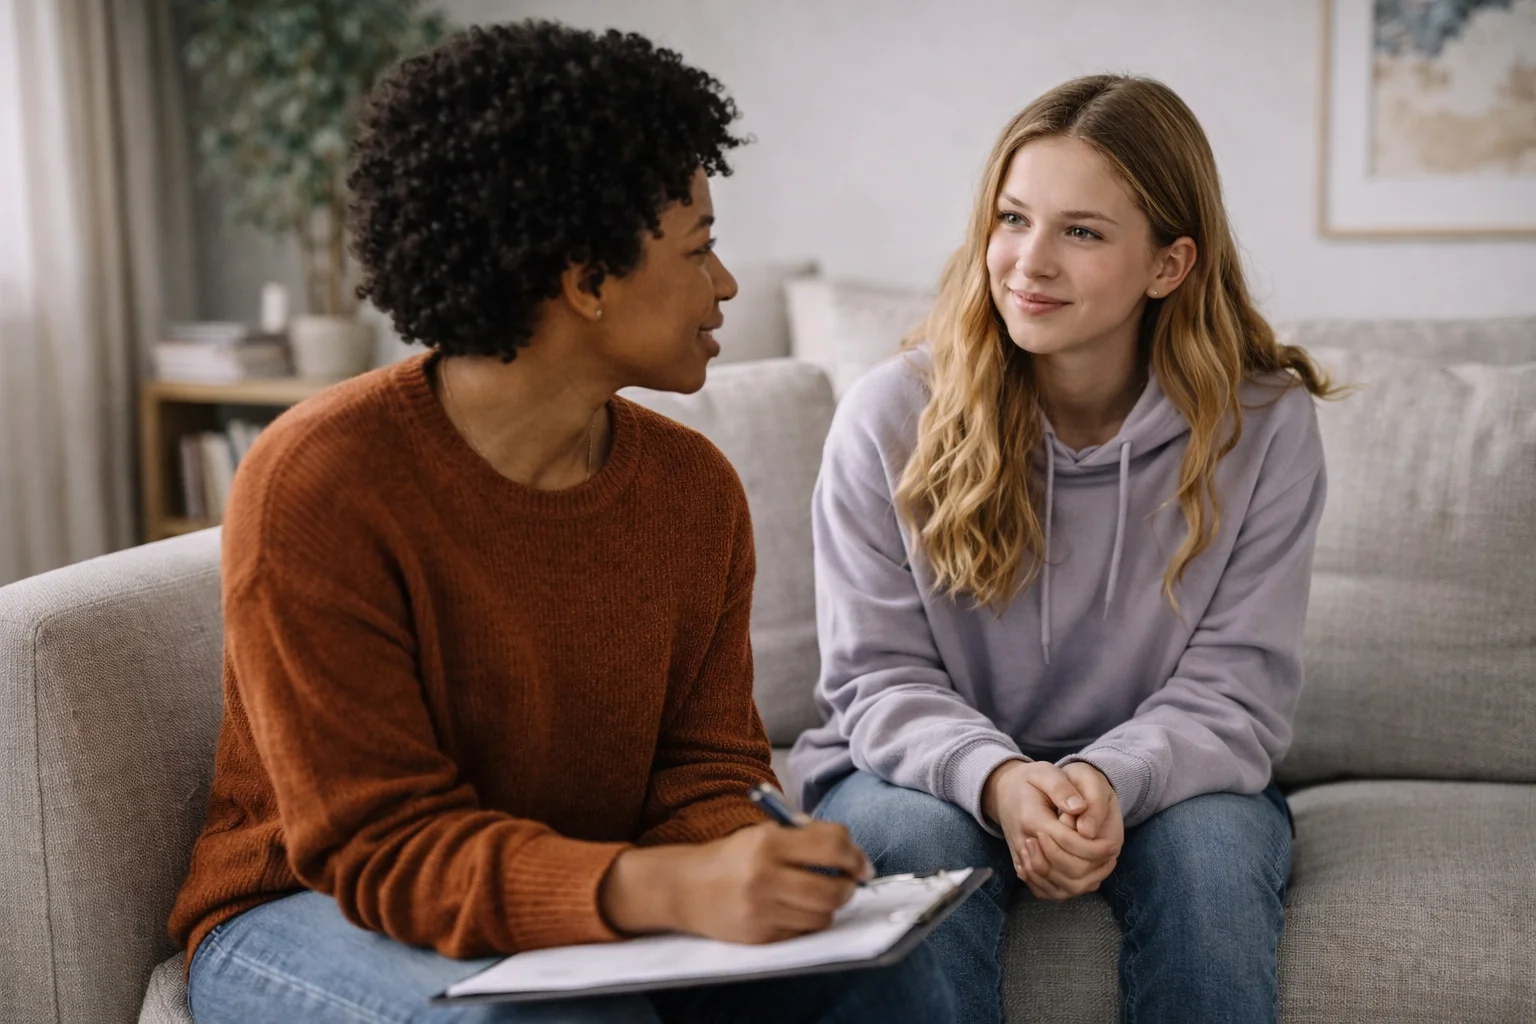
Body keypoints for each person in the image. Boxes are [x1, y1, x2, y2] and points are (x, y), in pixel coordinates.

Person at [169, 21, 953, 1024]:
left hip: (588, 896)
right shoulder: (321, 481)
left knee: (884, 973)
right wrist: (662, 890)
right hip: (304, 912)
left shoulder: (693, 490)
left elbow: (705, 768)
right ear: (584, 279)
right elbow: (381, 845)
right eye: (701, 247)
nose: (727, 283)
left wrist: (758, 853)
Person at [788, 74, 1338, 1024]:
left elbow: (1237, 689)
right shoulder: (889, 415)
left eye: (1081, 232)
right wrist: (997, 779)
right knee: (917, 839)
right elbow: (875, 677)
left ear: (1169, 265)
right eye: (1012, 218)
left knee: (1211, 862)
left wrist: (1105, 777)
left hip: (1164, 773)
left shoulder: (1266, 428)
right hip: (914, 774)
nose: (1027, 262)